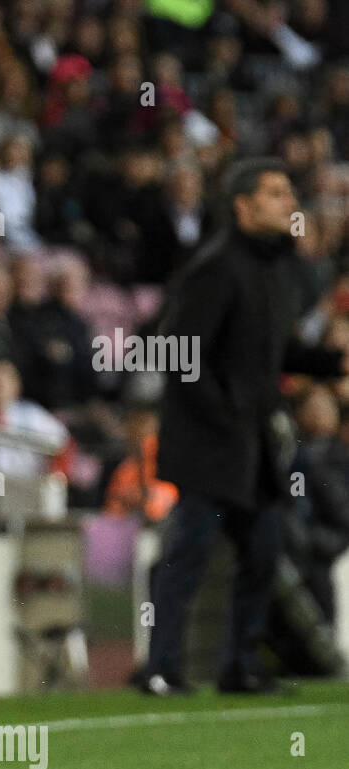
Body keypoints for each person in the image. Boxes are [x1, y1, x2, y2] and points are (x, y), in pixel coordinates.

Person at [138, 159, 349, 696]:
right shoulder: (216, 266)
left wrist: (329, 362)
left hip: (251, 443)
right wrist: (223, 413)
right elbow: (178, 351)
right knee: (189, 553)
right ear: (243, 206)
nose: (290, 204)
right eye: (275, 194)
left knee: (262, 552)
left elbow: (271, 352)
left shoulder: (274, 270)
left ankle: (240, 664)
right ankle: (161, 667)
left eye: (289, 193)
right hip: (211, 443)